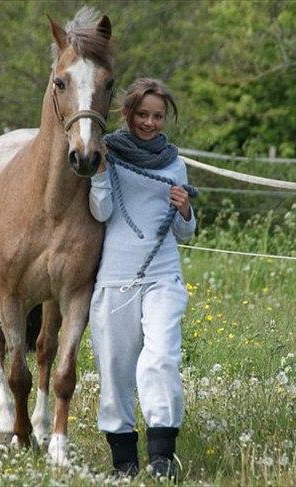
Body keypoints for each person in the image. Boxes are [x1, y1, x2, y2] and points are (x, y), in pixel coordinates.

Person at [88, 78, 196, 478]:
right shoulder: (109, 153)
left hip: (163, 275)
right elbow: (101, 213)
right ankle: (124, 464)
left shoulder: (174, 161)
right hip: (115, 279)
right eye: (143, 115)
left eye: (158, 116)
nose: (150, 123)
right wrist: (99, 174)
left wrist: (185, 209)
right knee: (114, 369)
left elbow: (186, 233)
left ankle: (162, 458)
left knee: (161, 356)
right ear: (128, 114)